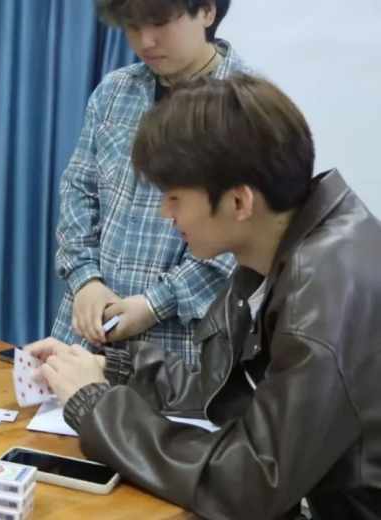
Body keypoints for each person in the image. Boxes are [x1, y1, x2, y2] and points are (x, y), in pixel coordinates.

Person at [29, 74, 381, 519]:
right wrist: (111, 370)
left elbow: (252, 482)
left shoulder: (324, 289)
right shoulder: (276, 250)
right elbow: (218, 385)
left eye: (174, 197)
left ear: (239, 202)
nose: (165, 212)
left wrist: (95, 406)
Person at [53, 0, 254, 363]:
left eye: (160, 23)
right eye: (133, 26)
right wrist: (85, 279)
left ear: (206, 11)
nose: (145, 41)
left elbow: (242, 238)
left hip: (178, 349)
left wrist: (154, 304)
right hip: (86, 331)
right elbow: (79, 190)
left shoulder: (247, 104)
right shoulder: (115, 91)